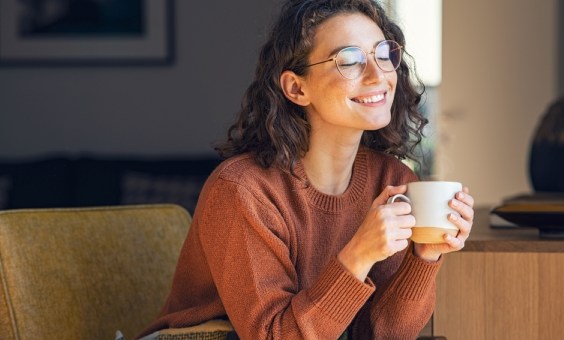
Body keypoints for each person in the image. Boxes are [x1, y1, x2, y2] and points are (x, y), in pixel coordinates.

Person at [137, 0, 474, 339]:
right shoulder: (242, 190)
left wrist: (423, 257)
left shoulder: (393, 181)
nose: (378, 75)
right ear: (297, 88)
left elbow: (379, 334)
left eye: (383, 53)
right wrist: (358, 254)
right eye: (350, 60)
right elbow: (273, 336)